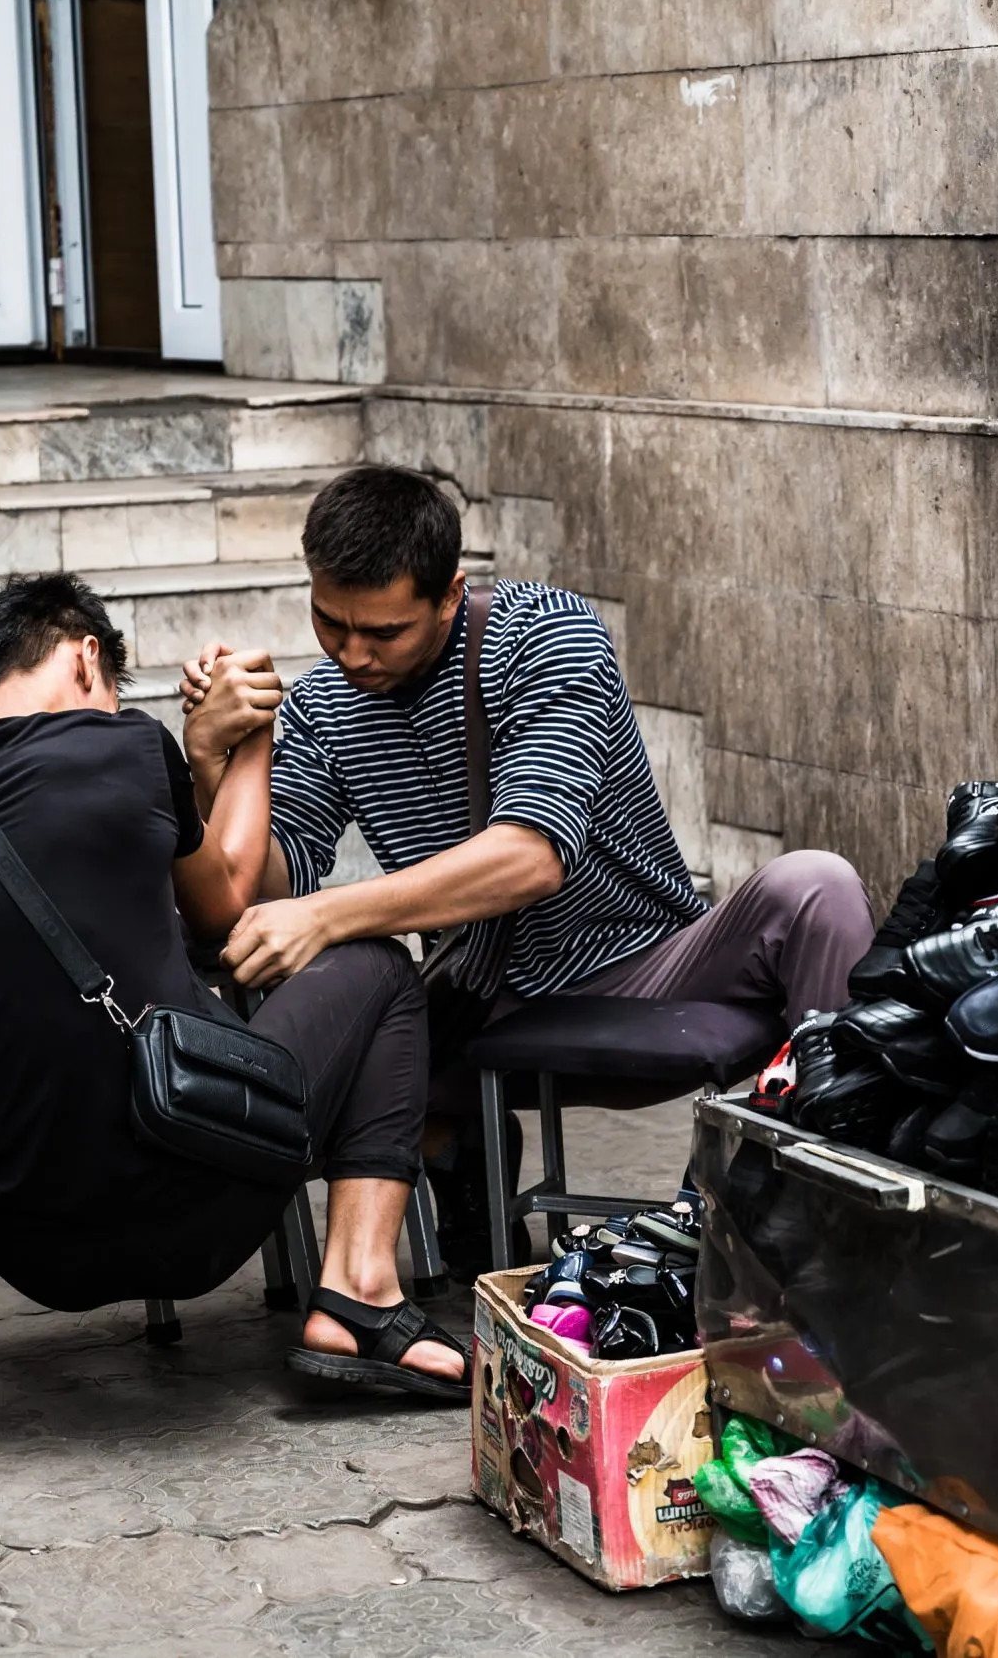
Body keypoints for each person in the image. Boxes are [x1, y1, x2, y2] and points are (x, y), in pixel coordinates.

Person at [178, 466, 877, 1263]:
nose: (352, 653)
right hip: (481, 1000)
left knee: (816, 885)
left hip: (646, 966)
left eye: (384, 632)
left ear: (449, 595)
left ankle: (829, 1206)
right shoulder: (323, 706)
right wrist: (220, 758)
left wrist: (328, 913)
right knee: (325, 1030)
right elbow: (265, 887)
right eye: (330, 622)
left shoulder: (544, 635)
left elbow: (532, 854)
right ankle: (459, 1177)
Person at [0, 573, 468, 1416]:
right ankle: (359, 1291)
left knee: (19, 1038)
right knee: (380, 966)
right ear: (85, 658)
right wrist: (253, 737)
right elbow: (226, 904)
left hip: (27, 1246)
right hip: (193, 1218)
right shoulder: (126, 747)